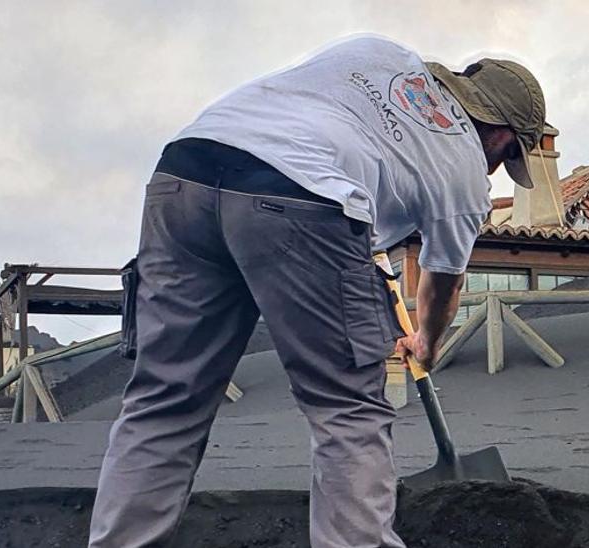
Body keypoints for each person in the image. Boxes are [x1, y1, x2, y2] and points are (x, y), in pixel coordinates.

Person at [88, 34, 546, 548]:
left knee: (165, 396)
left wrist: (354, 234)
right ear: (504, 136)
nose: (494, 170)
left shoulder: (381, 52)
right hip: (303, 198)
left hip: (186, 171)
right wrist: (427, 342)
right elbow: (443, 282)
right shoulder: (464, 174)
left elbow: (334, 125)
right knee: (347, 408)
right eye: (505, 158)